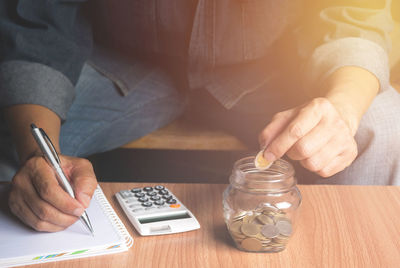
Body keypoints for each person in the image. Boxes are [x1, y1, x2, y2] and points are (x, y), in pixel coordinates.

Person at [0, 0, 398, 233]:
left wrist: (343, 107)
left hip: (272, 68)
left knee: (383, 124)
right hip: (120, 60)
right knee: (13, 131)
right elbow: (40, 22)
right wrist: (37, 153)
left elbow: (353, 12)